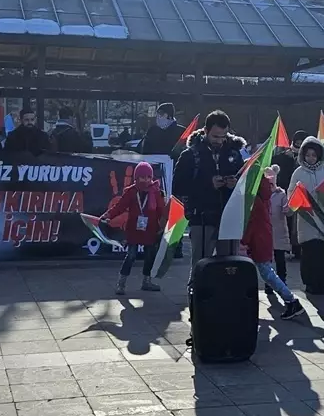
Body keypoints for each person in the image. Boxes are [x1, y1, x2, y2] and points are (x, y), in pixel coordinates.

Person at [172, 109, 246, 280]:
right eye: (215, 136)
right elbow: (178, 188)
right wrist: (208, 184)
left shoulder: (234, 155)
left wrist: (235, 184)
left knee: (228, 266)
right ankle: (198, 297)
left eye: (223, 136)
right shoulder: (190, 155)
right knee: (201, 265)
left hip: (228, 218)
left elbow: (245, 184)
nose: (220, 141)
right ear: (205, 131)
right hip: (201, 218)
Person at [241, 169, 305, 319]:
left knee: (267, 273)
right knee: (266, 273)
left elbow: (251, 223)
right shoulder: (263, 195)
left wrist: (244, 241)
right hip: (262, 238)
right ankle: (290, 301)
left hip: (257, 240)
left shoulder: (254, 199)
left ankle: (291, 300)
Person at [101, 161, 167, 294]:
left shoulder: (156, 192)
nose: (146, 180)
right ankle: (121, 284)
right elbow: (119, 207)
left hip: (150, 230)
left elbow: (162, 211)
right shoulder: (131, 191)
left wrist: (163, 226)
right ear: (136, 178)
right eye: (143, 177)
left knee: (150, 256)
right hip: (133, 230)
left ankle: (146, 281)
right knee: (130, 256)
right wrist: (107, 215)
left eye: (149, 177)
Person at [290, 136, 324, 294]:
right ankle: (310, 282)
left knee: (323, 252)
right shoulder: (298, 173)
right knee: (310, 252)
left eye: (314, 155)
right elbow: (291, 195)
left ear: (319, 155)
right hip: (307, 219)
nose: (311, 158)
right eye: (308, 155)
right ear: (303, 155)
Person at [266, 165, 293, 299]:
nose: (269, 186)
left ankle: (282, 282)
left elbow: (288, 211)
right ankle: (269, 284)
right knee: (267, 262)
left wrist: (288, 209)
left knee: (280, 261)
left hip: (279, 233)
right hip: (265, 234)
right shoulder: (259, 195)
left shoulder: (281, 194)